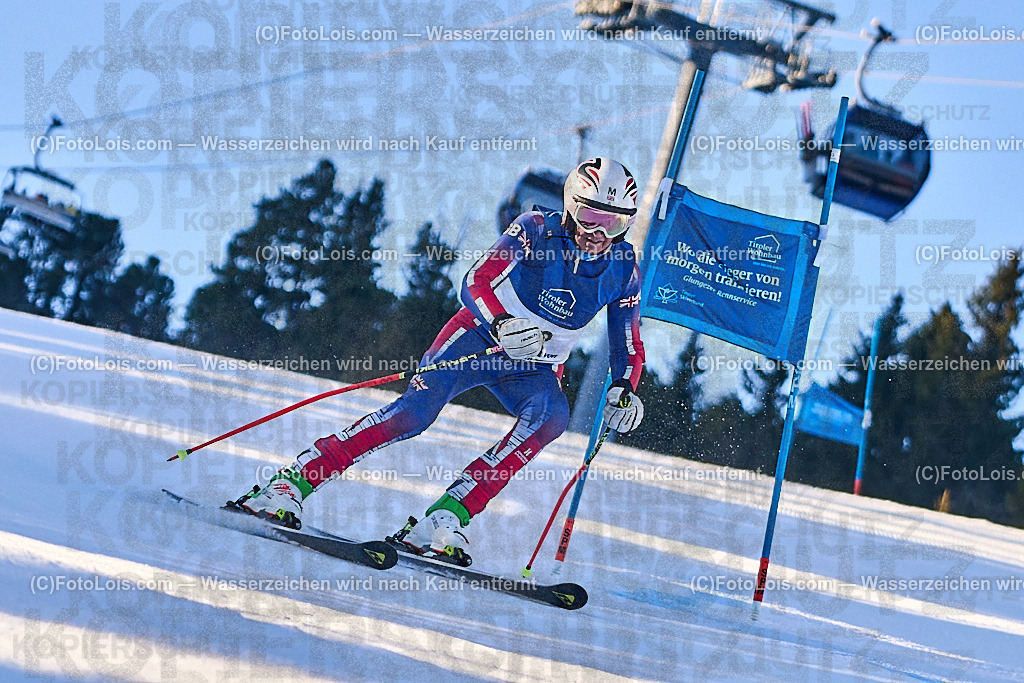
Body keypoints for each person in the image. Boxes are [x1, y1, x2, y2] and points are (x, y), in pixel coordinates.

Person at [233, 157, 646, 564]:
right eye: (591, 216)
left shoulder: (623, 266)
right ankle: (290, 483)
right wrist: (501, 323)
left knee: (552, 417)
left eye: (615, 222)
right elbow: (476, 280)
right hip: (480, 339)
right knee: (413, 414)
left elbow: (625, 341)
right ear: (571, 205)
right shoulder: (535, 229)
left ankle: (445, 517)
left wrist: (625, 388)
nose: (599, 232)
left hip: (532, 367)